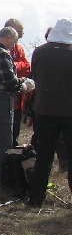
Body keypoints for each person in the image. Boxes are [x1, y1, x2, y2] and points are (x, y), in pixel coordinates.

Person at [26, 19, 72, 207]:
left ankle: (35, 198)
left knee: (43, 157)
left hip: (44, 110)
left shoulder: (39, 52)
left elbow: (35, 78)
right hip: (69, 112)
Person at [0, 26, 29, 182]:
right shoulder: (2, 54)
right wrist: (24, 85)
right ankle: (0, 177)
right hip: (2, 99)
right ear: (8, 38)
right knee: (4, 140)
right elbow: (10, 81)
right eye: (14, 41)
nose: (14, 45)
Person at [5, 18, 33, 145]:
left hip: (19, 93)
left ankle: (14, 145)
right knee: (5, 127)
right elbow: (8, 68)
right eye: (19, 31)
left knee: (17, 121)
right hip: (6, 95)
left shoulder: (19, 48)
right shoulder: (1, 49)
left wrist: (16, 66)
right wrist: (17, 66)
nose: (22, 34)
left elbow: (27, 66)